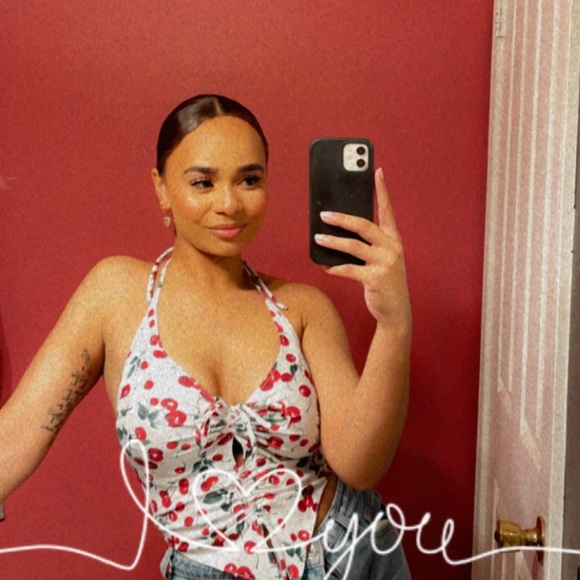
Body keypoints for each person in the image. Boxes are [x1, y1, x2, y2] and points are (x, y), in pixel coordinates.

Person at [0, 94, 412, 579]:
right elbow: (16, 433)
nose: (229, 203)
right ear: (161, 188)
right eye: (203, 182)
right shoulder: (116, 295)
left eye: (249, 180)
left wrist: (394, 325)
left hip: (351, 553)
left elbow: (360, 465)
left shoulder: (302, 309)